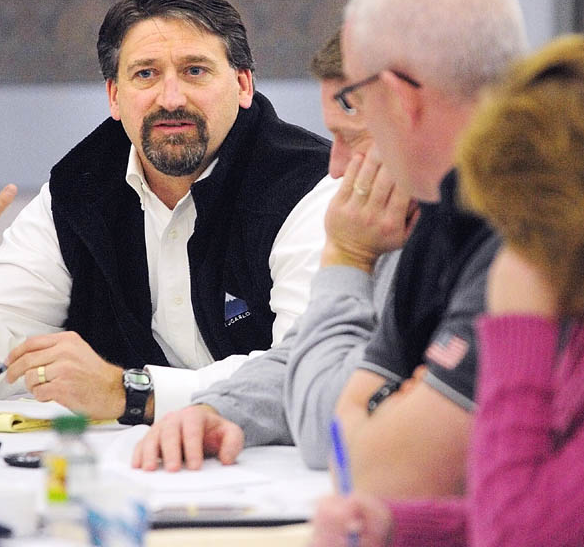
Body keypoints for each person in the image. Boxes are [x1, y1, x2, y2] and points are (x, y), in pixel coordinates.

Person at [312, 34, 584, 546]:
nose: (508, 247)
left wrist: (518, 328)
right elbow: (562, 512)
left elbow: (517, 536)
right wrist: (394, 526)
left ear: (578, 212)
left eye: (517, 222)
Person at [0, 0, 339, 424]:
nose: (171, 98)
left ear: (242, 85)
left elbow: (308, 374)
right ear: (115, 97)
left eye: (195, 70)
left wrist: (131, 394)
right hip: (118, 474)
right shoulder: (76, 191)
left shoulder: (310, 186)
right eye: (146, 74)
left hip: (271, 470)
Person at [131, 29, 414, 471]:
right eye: (145, 74)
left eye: (352, 138)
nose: (335, 168)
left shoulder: (488, 248)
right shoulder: (412, 231)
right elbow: (303, 361)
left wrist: (347, 257)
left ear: (413, 113)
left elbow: (328, 430)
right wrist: (215, 410)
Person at [332, 0, 527, 498]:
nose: (360, 122)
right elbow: (344, 448)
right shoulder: (442, 211)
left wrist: (391, 414)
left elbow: (381, 474)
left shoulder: (535, 228)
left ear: (397, 97)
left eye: (355, 98)